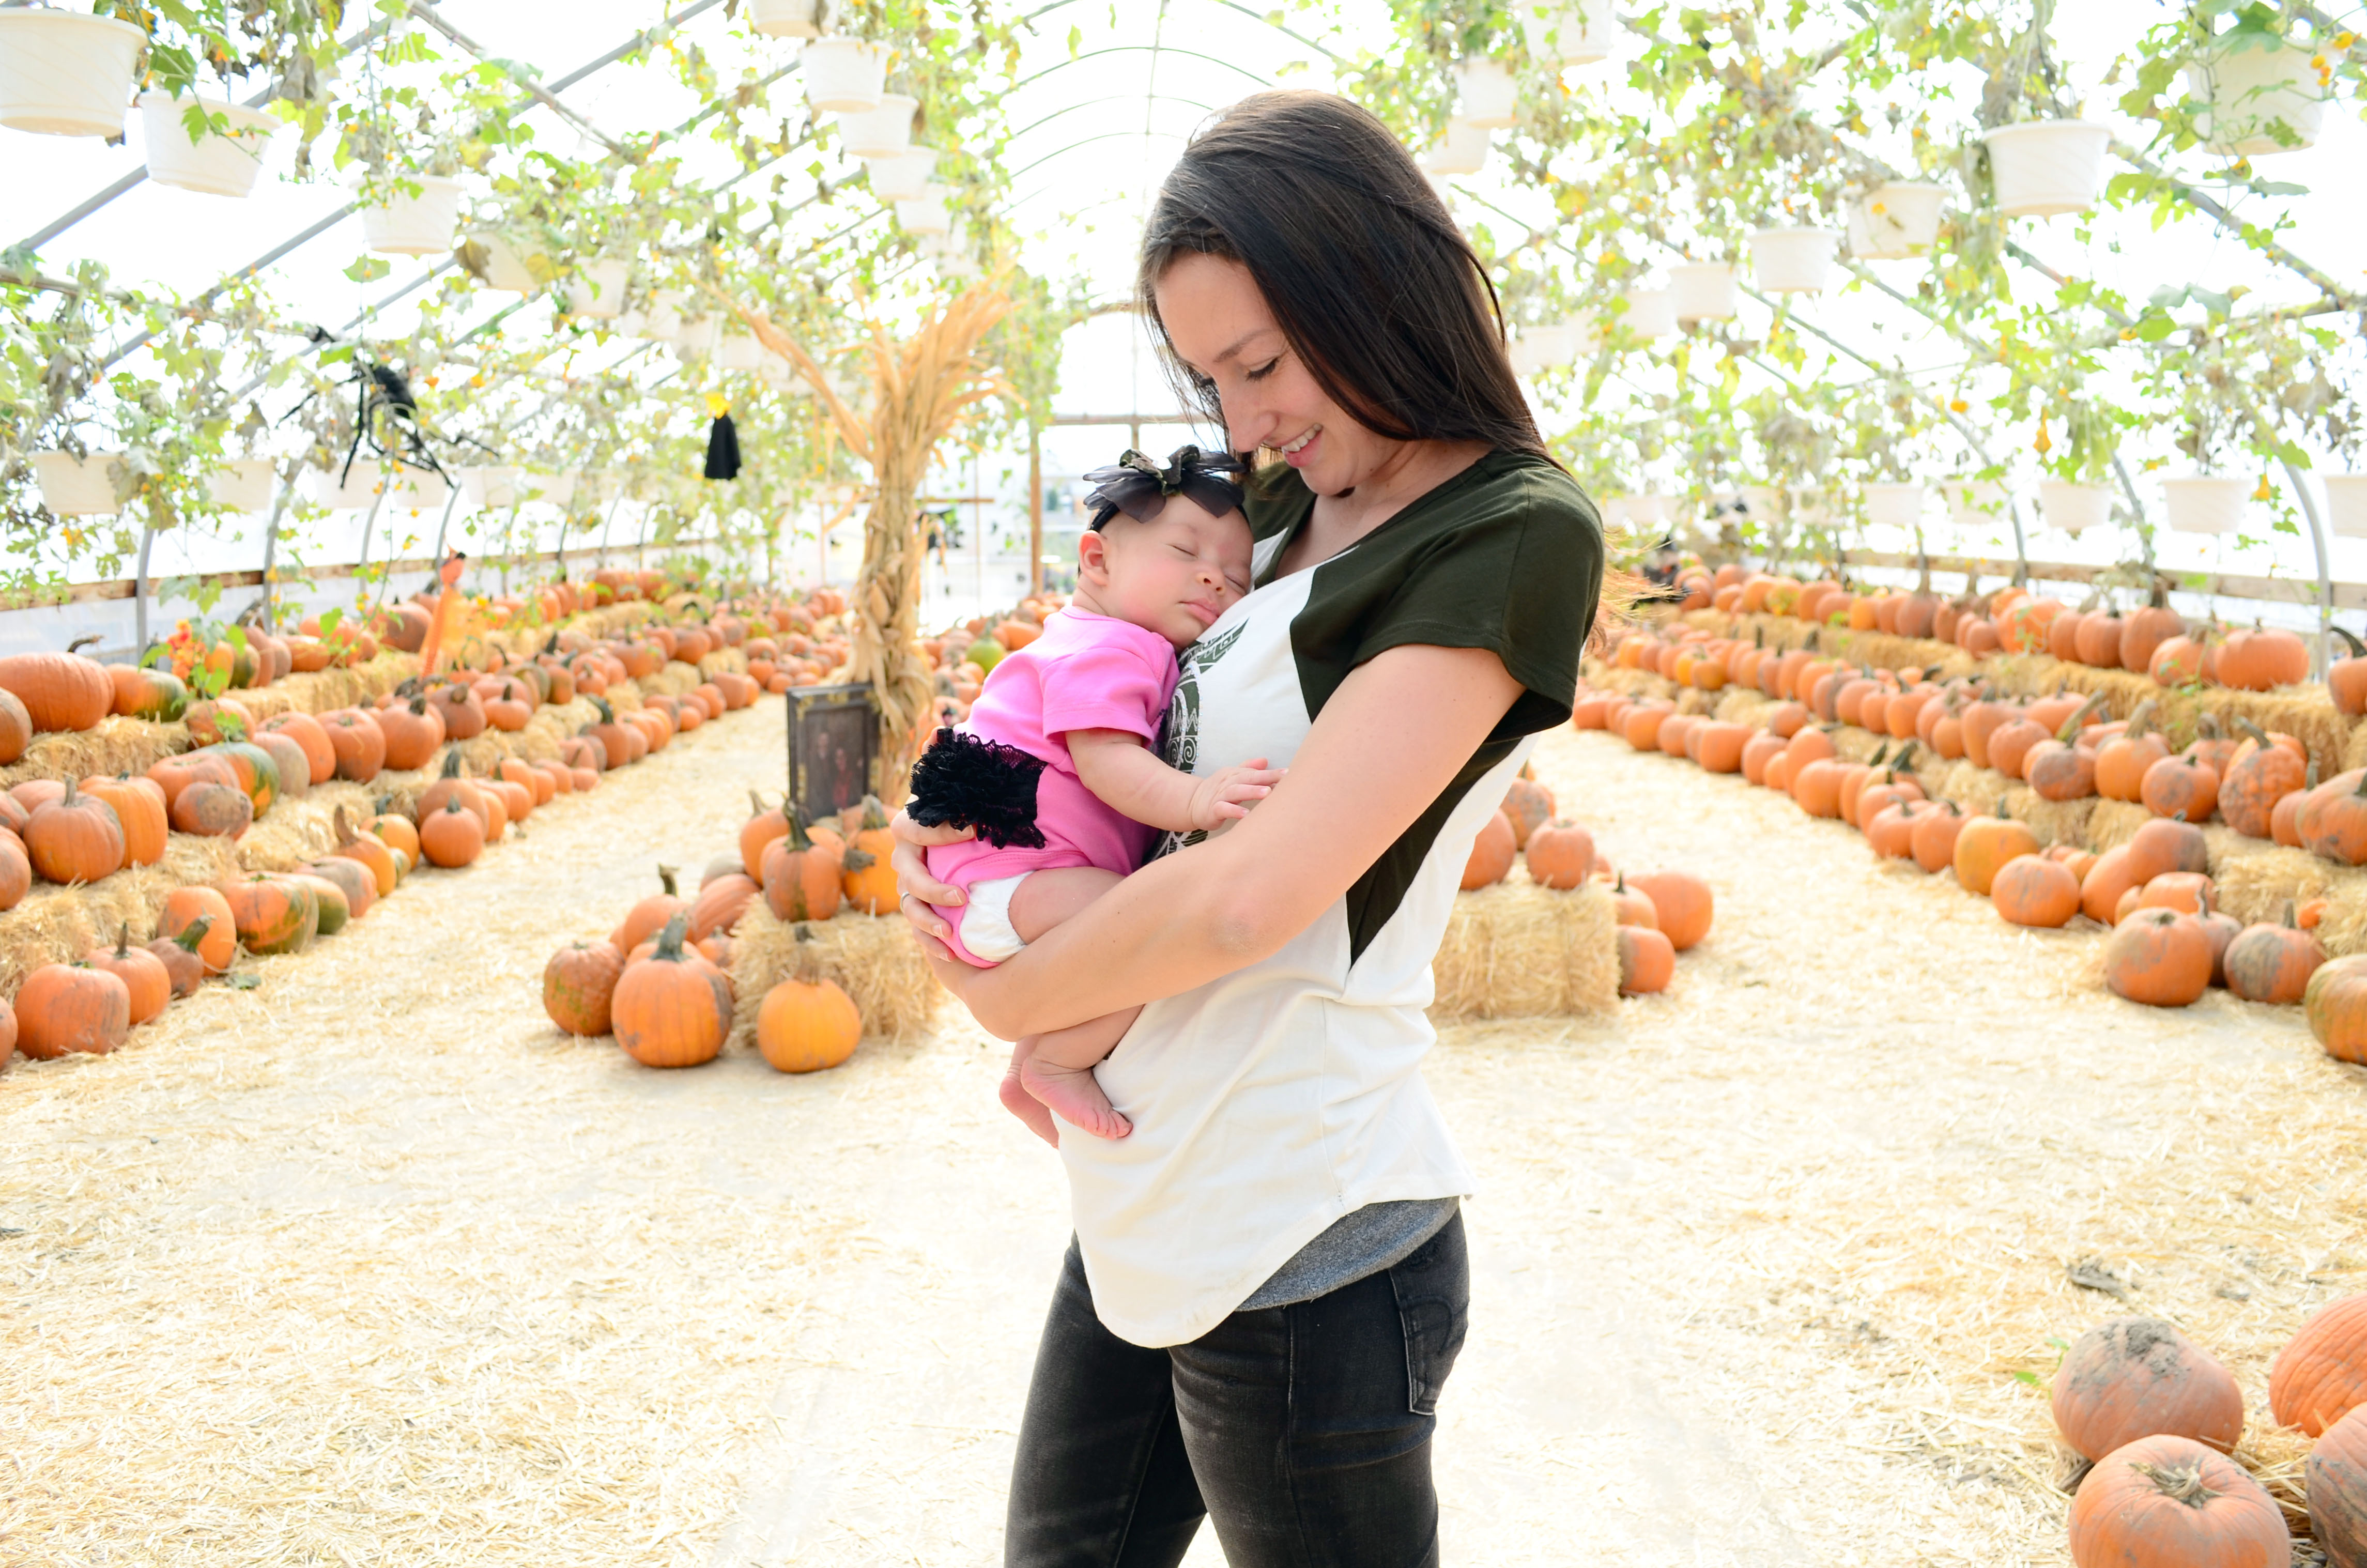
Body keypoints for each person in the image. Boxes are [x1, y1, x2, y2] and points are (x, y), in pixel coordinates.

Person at [890, 89, 1615, 1566]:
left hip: (1301, 1227)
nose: (1242, 422)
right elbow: (1094, 687)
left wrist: (1000, 991)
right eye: (1211, 379)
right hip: (1145, 1184)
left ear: (1375, 284)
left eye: (1263, 364)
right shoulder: (1275, 505)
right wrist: (955, 814)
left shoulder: (1511, 532)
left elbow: (1247, 896)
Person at [905, 446, 1277, 1140]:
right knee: (1144, 936)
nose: (1214, 577)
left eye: (1235, 574)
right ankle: (1055, 1064)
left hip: (1005, 881)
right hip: (1013, 879)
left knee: (1112, 945)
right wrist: (1198, 800)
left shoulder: (1095, 637)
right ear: (1098, 560)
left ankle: (1025, 1078)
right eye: (1185, 550)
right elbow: (1107, 762)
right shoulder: (1108, 647)